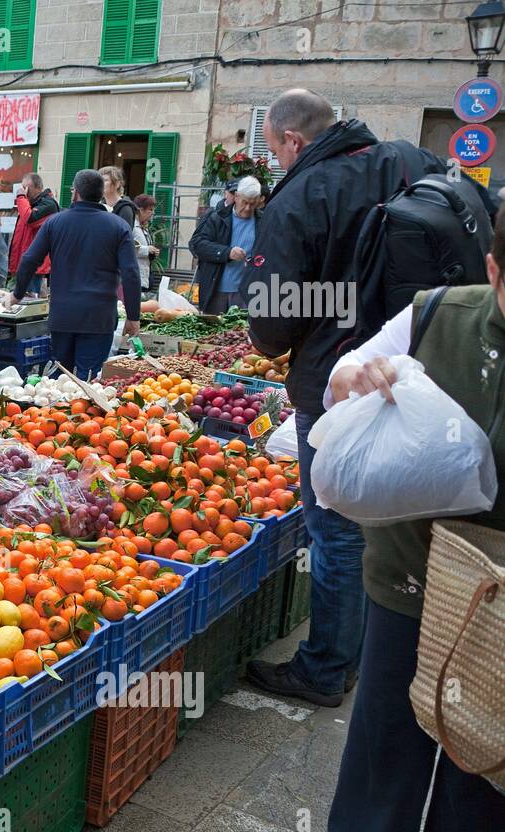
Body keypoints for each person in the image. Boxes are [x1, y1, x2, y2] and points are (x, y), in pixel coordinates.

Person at [240, 88, 449, 708]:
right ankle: (396, 655)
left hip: (339, 383)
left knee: (335, 528)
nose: (277, 163)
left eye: (276, 151)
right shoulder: (414, 162)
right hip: (425, 372)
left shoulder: (304, 193)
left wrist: (317, 315)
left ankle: (327, 667)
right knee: (404, 522)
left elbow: (273, 321)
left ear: (294, 141)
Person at [320, 210, 505, 832]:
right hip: (412, 587)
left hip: (501, 609)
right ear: (491, 269)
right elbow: (341, 379)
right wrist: (356, 380)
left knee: (482, 778)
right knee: (384, 762)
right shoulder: (437, 315)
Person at [6, 169, 139, 378]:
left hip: (63, 315)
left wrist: (17, 294)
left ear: (75, 193)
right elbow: (131, 273)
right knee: (89, 379)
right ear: (101, 193)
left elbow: (29, 259)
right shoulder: (118, 226)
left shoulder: (55, 223)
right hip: (99, 317)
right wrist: (133, 316)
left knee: (59, 378)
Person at [189, 175, 262, 314]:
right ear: (236, 196)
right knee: (212, 334)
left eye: (252, 204)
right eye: (244, 202)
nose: (247, 208)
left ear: (259, 201)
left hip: (248, 293)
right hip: (216, 290)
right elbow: (197, 244)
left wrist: (257, 261)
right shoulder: (217, 217)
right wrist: (227, 253)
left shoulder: (263, 222)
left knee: (239, 334)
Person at [8, 173, 58, 294]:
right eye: (22, 187)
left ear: (37, 187)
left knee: (30, 305)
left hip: (35, 269)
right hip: (23, 266)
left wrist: (20, 197)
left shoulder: (48, 204)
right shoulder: (29, 204)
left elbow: (30, 219)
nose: (24, 191)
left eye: (27, 188)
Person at [133, 193, 160, 292]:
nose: (152, 213)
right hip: (135, 275)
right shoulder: (131, 225)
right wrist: (147, 249)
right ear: (141, 210)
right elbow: (128, 247)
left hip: (145, 274)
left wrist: (153, 251)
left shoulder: (144, 227)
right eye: (150, 209)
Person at [99, 165, 137, 230]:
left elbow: (125, 236)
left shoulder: (125, 208)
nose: (100, 183)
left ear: (117, 184)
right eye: (99, 180)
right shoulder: (100, 205)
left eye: (105, 180)